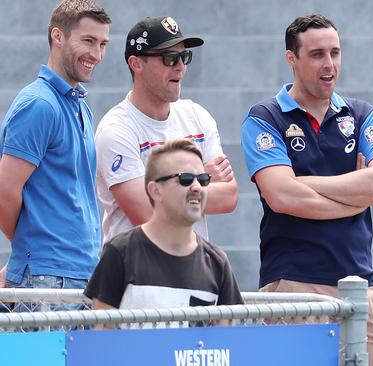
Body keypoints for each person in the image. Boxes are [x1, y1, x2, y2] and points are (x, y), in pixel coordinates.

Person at [241, 13, 373, 366]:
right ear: (291, 59)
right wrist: (355, 197)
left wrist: (306, 184)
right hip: (295, 283)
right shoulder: (265, 117)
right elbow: (282, 197)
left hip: (361, 284)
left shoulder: (360, 114)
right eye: (317, 55)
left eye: (335, 53)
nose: (329, 65)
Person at [0, 0, 110, 294]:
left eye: (102, 44)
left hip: (79, 274)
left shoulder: (79, 105)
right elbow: (4, 193)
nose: (97, 54)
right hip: (49, 277)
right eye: (88, 41)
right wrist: (32, 250)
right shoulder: (39, 104)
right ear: (57, 37)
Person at [95, 16, 237, 243]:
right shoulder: (116, 129)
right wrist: (200, 178)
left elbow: (229, 198)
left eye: (184, 56)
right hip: (136, 270)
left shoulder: (197, 116)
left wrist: (165, 192)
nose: (181, 67)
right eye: (170, 58)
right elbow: (146, 214)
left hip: (193, 268)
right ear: (136, 64)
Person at [84, 139, 243, 318]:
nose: (197, 187)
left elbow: (227, 339)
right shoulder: (119, 253)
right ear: (155, 190)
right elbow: (103, 339)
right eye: (186, 179)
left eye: (203, 179)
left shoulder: (216, 262)